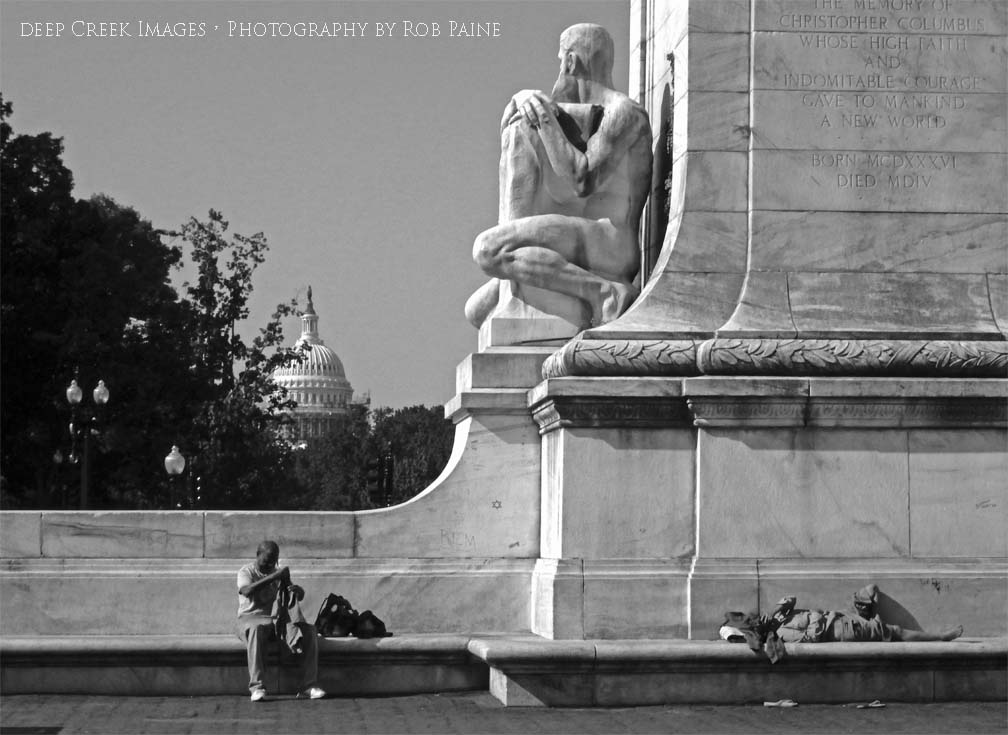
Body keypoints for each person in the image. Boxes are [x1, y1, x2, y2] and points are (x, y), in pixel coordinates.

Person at [465, 23, 653, 329]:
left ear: (570, 62)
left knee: (488, 250)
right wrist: (521, 103)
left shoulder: (625, 112)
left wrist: (542, 116)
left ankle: (606, 293)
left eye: (560, 60)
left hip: (611, 243)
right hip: (587, 237)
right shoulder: (595, 113)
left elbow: (582, 179)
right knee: (476, 310)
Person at [720, 583, 963, 662]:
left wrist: (778, 610)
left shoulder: (778, 618)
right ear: (758, 630)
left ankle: (873, 617)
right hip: (842, 630)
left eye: (756, 616)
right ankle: (941, 637)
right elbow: (812, 637)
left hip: (841, 616)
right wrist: (816, 617)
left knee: (871, 589)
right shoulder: (782, 633)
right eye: (755, 621)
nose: (759, 617)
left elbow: (791, 599)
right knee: (894, 631)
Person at [236, 540, 325, 701]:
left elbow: (297, 596)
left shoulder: (277, 573)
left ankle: (309, 685)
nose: (269, 565)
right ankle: (257, 687)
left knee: (309, 631)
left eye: (273, 562)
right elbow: (247, 590)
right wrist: (274, 577)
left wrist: (298, 591)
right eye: (265, 561)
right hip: (250, 619)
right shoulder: (246, 572)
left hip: (275, 620)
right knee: (256, 630)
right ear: (257, 555)